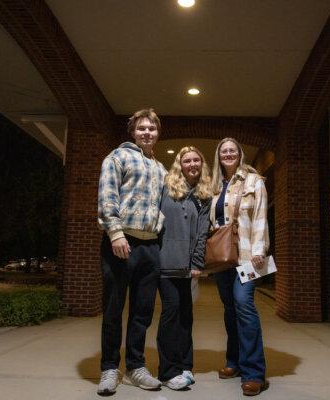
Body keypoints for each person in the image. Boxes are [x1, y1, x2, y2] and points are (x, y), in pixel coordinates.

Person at [97, 108, 167, 395]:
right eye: (142, 128)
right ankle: (110, 369)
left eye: (152, 128)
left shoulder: (161, 168)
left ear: (157, 133)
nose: (147, 132)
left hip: (150, 246)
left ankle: (135, 367)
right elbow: (107, 194)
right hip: (121, 242)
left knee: (142, 312)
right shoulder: (117, 157)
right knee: (113, 309)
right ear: (133, 131)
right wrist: (115, 233)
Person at [209, 137, 269, 396]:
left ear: (240, 154)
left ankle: (254, 372)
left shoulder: (254, 181)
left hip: (248, 256)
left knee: (244, 304)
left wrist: (259, 251)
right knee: (230, 309)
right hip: (222, 258)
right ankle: (233, 361)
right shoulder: (214, 186)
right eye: (224, 151)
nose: (228, 154)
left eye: (232, 150)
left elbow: (260, 216)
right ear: (219, 157)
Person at [157, 146, 212, 390]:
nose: (192, 164)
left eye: (196, 160)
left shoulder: (203, 196)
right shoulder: (166, 187)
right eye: (186, 160)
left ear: (202, 165)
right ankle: (168, 372)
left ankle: (185, 365)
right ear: (180, 164)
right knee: (171, 314)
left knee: (186, 316)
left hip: (188, 267)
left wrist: (198, 262)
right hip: (165, 263)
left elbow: (202, 234)